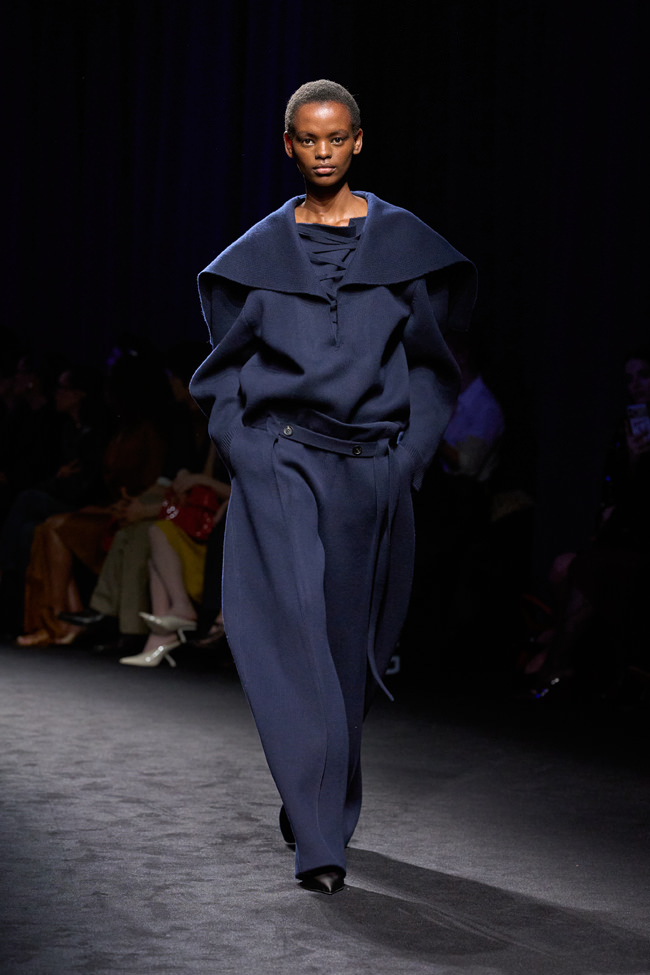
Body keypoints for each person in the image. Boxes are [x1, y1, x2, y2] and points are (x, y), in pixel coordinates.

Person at [190, 80, 476, 894]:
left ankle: (315, 794)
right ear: (289, 145)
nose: (323, 152)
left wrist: (408, 458)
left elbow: (433, 368)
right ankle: (320, 839)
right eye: (308, 139)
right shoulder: (259, 257)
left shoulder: (403, 251)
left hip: (370, 468)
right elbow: (223, 370)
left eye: (336, 137)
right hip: (282, 460)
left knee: (348, 657)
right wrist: (246, 451)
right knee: (296, 636)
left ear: (358, 141)